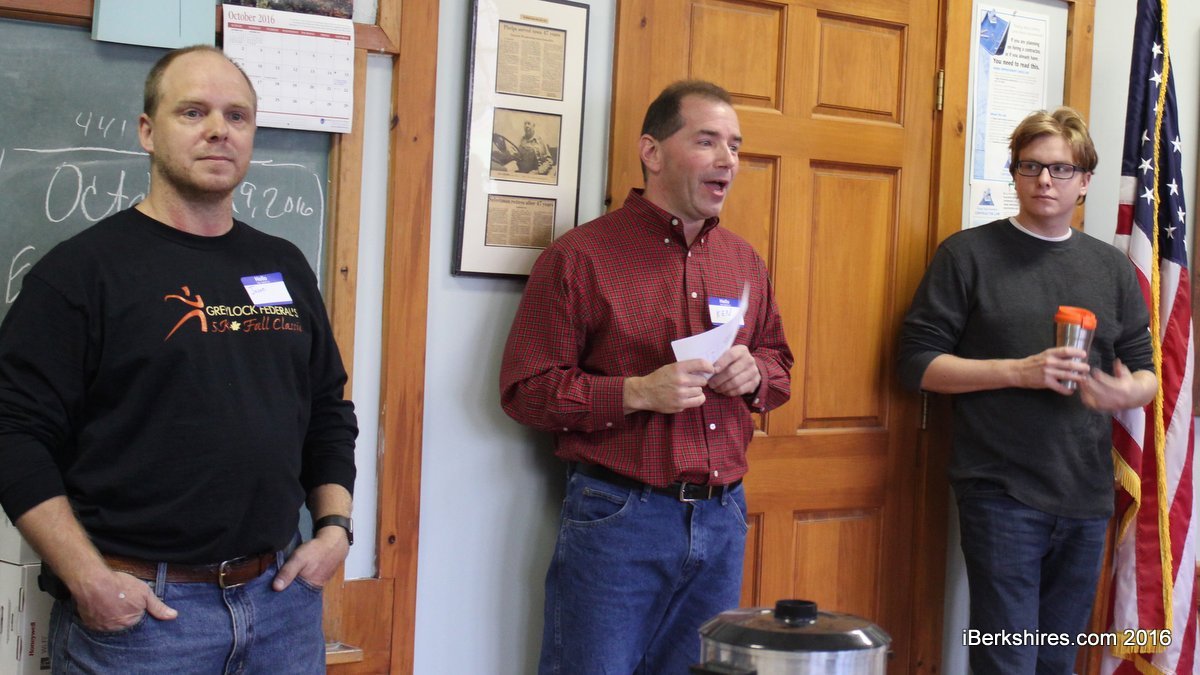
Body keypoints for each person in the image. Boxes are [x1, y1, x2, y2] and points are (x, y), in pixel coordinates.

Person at [0, 45, 357, 673]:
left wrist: (335, 530)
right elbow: (12, 431)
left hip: (281, 607)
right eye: (193, 112)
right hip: (144, 620)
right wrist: (87, 578)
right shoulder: (81, 273)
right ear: (147, 131)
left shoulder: (283, 265)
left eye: (237, 116)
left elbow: (327, 407)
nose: (219, 130)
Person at [500, 80, 792, 674]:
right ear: (652, 152)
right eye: (706, 141)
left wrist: (755, 373)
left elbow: (779, 365)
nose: (727, 159)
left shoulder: (743, 260)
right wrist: (635, 392)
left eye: (735, 145)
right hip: (621, 517)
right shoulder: (580, 257)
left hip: (724, 517)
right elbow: (525, 390)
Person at [898, 107, 1155, 674]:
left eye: (1061, 169)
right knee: (1006, 658)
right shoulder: (966, 255)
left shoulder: (1110, 269)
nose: (1045, 180)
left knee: (1057, 661)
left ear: (1084, 182)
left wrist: (1127, 393)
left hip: (1086, 495)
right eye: (1031, 166)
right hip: (1000, 492)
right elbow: (917, 364)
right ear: (1013, 173)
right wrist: (1019, 371)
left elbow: (1145, 370)